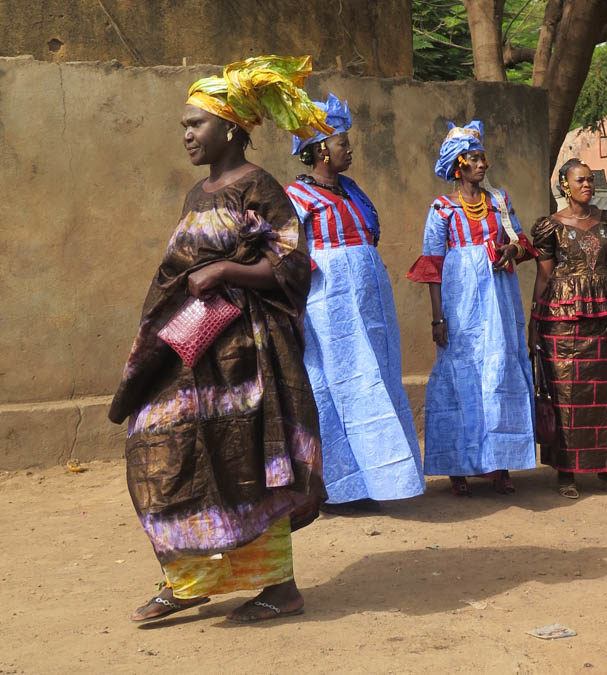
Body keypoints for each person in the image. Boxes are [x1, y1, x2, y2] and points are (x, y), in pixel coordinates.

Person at [109, 56, 329, 624]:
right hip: (189, 348)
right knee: (165, 446)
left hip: (247, 356)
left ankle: (280, 587)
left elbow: (293, 266)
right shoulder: (196, 193)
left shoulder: (259, 186)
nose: (186, 135)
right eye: (184, 125)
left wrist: (227, 272)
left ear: (231, 127)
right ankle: (186, 578)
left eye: (195, 124)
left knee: (248, 458)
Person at [285, 94, 424, 514]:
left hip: (370, 301)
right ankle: (339, 488)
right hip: (329, 306)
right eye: (343, 142)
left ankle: (376, 480)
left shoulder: (352, 192)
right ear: (322, 148)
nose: (350, 149)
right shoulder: (296, 196)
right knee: (333, 387)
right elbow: (287, 251)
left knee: (376, 381)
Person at [406, 121, 537, 496]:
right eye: (476, 159)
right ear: (459, 165)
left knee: (500, 371)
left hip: (499, 299)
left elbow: (523, 242)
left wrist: (511, 249)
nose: (484, 165)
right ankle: (457, 466)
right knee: (461, 378)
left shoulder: (500, 201)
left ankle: (499, 462)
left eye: (483, 158)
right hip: (460, 303)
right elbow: (432, 264)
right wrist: (437, 317)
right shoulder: (442, 208)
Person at [530, 159, 607, 500]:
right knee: (567, 396)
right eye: (580, 180)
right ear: (565, 185)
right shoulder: (551, 227)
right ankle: (567, 472)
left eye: (591, 180)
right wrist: (534, 324)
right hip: (562, 323)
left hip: (606, 317)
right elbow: (544, 276)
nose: (587, 185)